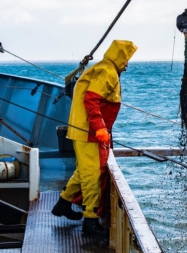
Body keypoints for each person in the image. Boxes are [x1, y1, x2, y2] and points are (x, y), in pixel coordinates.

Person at [52, 40, 137, 236]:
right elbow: (91, 99)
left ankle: (63, 203)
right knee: (92, 175)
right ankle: (90, 221)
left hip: (83, 130)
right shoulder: (107, 71)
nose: (127, 65)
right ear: (119, 57)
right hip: (88, 132)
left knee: (84, 170)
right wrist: (99, 128)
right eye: (126, 60)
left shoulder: (102, 68)